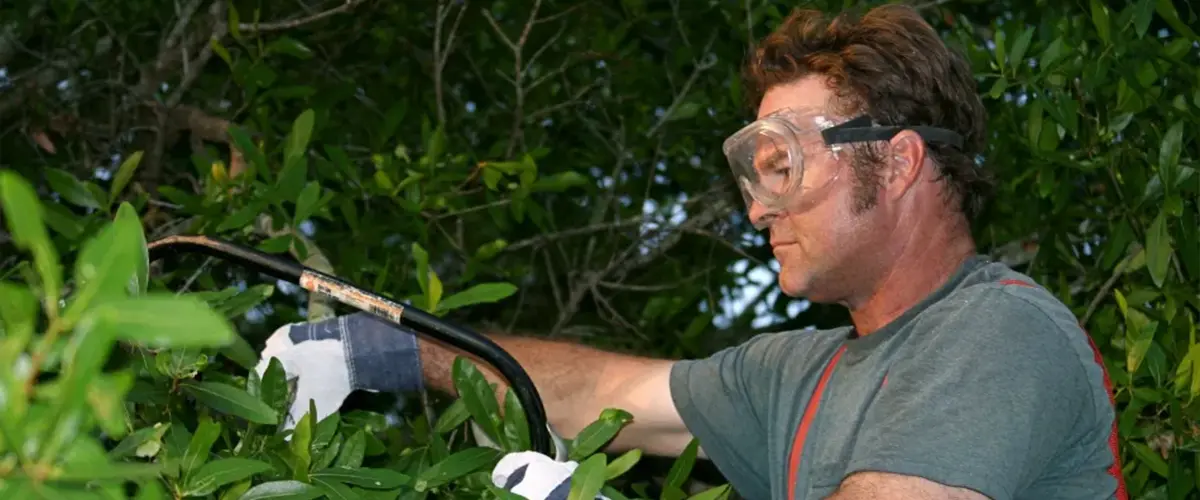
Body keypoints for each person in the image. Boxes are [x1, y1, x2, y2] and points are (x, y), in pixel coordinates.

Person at [257, 5, 1127, 499]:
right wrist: (383, 352)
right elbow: (599, 395)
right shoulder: (799, 372)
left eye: (783, 164)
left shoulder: (998, 334)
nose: (757, 209)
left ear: (896, 161)